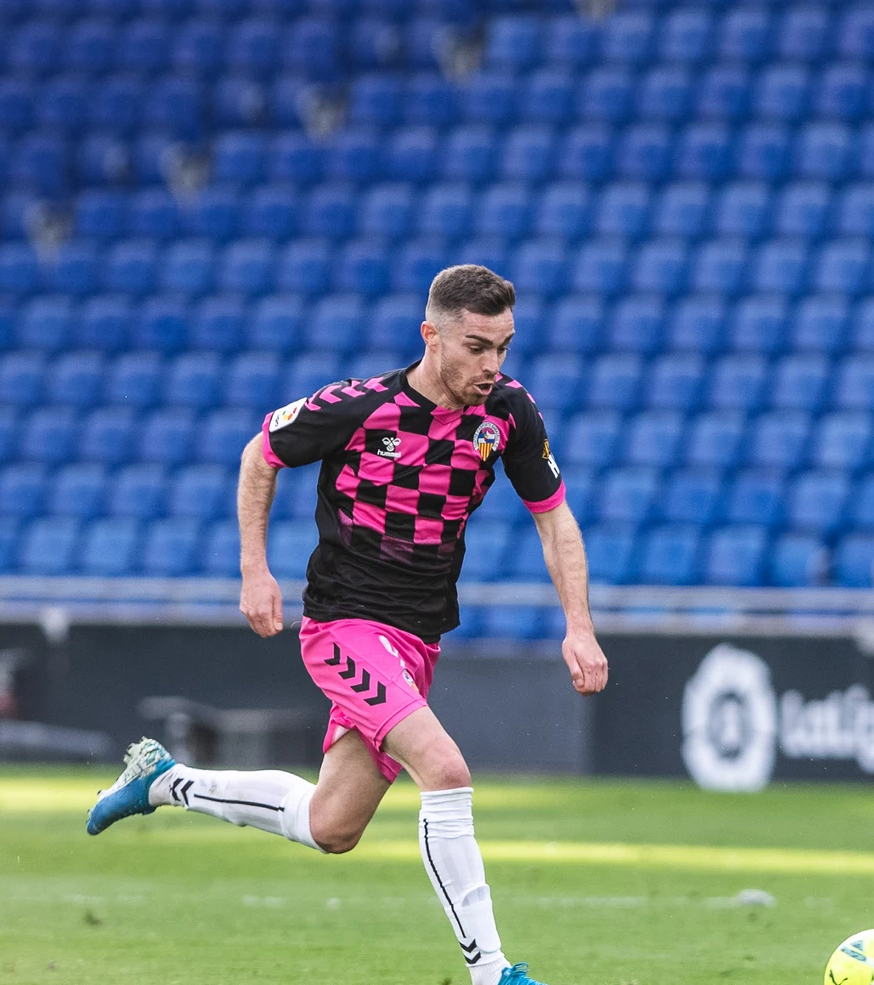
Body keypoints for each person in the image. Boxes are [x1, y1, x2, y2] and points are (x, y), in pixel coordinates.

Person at [88, 265, 609, 985]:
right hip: (344, 625)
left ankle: (164, 782)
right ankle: (493, 971)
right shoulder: (361, 407)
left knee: (332, 825)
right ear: (432, 336)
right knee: (447, 770)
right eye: (477, 347)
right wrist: (254, 570)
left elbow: (553, 517)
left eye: (504, 348)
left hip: (418, 639)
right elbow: (261, 452)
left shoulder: (511, 414)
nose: (493, 365)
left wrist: (578, 625)